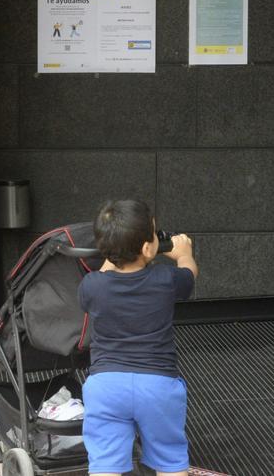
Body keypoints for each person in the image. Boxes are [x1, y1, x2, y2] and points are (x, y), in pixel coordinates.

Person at [77, 199, 198, 476]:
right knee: (170, 458)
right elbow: (189, 276)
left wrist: (116, 251)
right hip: (157, 386)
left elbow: (107, 273)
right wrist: (183, 254)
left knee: (104, 463)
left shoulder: (92, 286)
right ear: (147, 248)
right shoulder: (166, 279)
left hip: (106, 386)